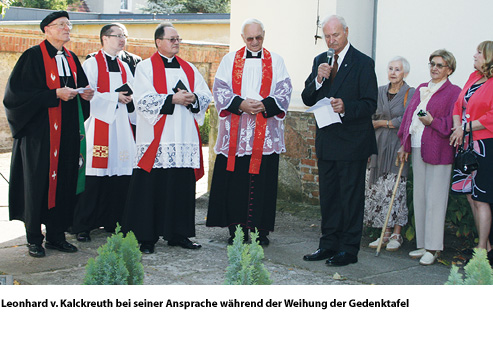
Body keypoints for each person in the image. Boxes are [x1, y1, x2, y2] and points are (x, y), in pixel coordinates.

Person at [3, 11, 94, 258]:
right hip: (39, 136)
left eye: (68, 24)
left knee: (64, 182)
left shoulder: (73, 58)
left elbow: (80, 92)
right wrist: (54, 94)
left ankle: (56, 235)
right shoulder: (32, 57)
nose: (67, 28)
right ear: (47, 29)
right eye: (61, 25)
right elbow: (15, 97)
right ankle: (34, 238)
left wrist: (85, 95)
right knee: (37, 184)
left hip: (67, 135)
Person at [121, 22, 211, 254]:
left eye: (178, 39)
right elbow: (142, 100)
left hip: (183, 138)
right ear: (158, 42)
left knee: (180, 186)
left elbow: (205, 95)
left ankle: (178, 234)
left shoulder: (189, 68)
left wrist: (193, 98)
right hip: (156, 139)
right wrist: (172, 99)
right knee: (151, 188)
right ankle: (146, 237)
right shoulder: (145, 68)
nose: (177, 42)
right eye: (172, 39)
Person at [206, 18, 292, 246]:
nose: (255, 42)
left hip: (265, 134)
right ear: (243, 38)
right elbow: (220, 88)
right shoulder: (229, 60)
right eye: (250, 38)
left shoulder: (277, 61)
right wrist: (240, 104)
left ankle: (260, 232)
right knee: (235, 183)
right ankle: (236, 231)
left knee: (263, 182)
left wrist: (265, 105)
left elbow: (285, 90)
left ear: (264, 35)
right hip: (237, 133)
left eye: (259, 37)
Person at [301, 15, 378, 266]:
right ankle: (328, 244)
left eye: (336, 35)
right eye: (327, 36)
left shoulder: (363, 63)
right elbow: (307, 98)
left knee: (350, 197)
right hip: (327, 140)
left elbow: (370, 104)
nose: (332, 41)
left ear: (346, 32)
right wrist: (318, 79)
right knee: (329, 196)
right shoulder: (319, 61)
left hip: (353, 142)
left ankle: (348, 249)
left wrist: (345, 107)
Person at [71, 24, 136, 242]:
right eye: (118, 36)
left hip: (121, 126)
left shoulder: (125, 65)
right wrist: (114, 98)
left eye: (124, 36)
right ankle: (83, 225)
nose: (122, 40)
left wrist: (128, 98)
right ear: (105, 38)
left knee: (119, 174)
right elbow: (87, 94)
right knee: (94, 177)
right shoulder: (91, 63)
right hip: (99, 124)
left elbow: (132, 89)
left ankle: (113, 221)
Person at [397, 49, 461, 265]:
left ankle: (434, 248)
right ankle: (423, 244)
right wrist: (404, 143)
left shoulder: (454, 92)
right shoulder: (422, 88)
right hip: (417, 147)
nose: (434, 68)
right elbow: (408, 117)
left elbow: (451, 125)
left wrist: (432, 121)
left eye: (440, 65)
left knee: (435, 199)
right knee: (421, 197)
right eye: (432, 64)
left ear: (449, 69)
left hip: (439, 151)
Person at [449, 41, 493, 264]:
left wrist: (464, 127)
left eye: (479, 52)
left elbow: (491, 117)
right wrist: (458, 128)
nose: (474, 55)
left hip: (485, 146)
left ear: (489, 56)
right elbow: (458, 105)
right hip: (466, 145)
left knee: (481, 198)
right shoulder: (473, 77)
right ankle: (485, 245)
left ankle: (481, 250)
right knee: (470, 196)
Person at [365, 56, 415, 251]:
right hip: (378, 144)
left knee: (396, 189)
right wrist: (379, 123)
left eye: (397, 69)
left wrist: (384, 123)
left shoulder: (409, 93)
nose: (393, 72)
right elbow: (371, 114)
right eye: (391, 68)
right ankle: (383, 232)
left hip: (397, 144)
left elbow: (408, 118)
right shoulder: (379, 92)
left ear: (405, 73)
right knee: (379, 189)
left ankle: (396, 233)